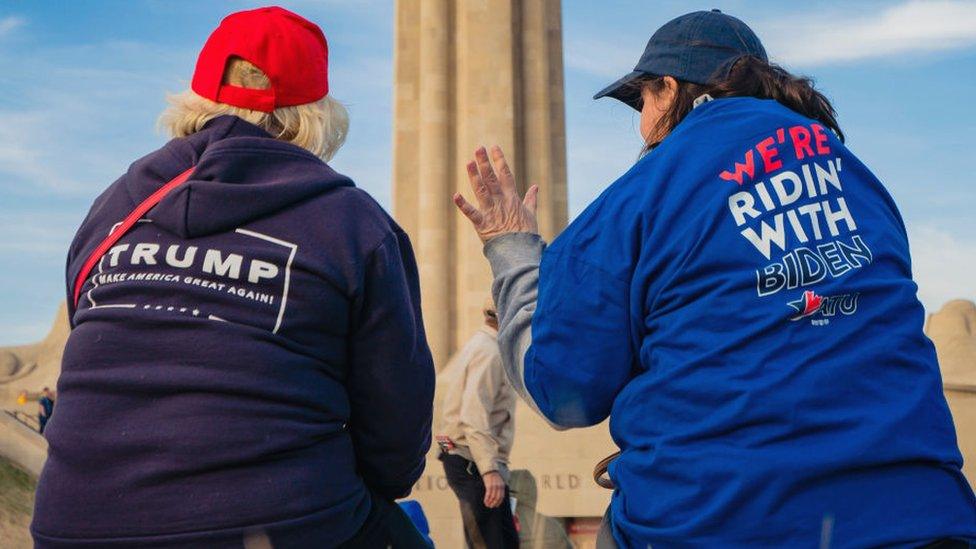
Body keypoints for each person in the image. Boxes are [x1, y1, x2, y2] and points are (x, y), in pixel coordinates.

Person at [453, 9, 976, 549]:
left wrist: (511, 248)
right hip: (923, 519)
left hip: (717, 522)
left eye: (642, 101)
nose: (641, 123)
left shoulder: (642, 197)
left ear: (670, 89)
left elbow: (562, 388)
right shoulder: (860, 179)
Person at [32, 7, 434, 548]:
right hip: (273, 523)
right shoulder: (352, 224)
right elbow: (395, 427)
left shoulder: (113, 208)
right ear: (315, 114)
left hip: (72, 525)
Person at [438, 299, 518, 548]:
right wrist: (489, 470)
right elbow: (473, 416)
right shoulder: (489, 352)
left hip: (473, 461)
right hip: (472, 462)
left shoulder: (482, 345)